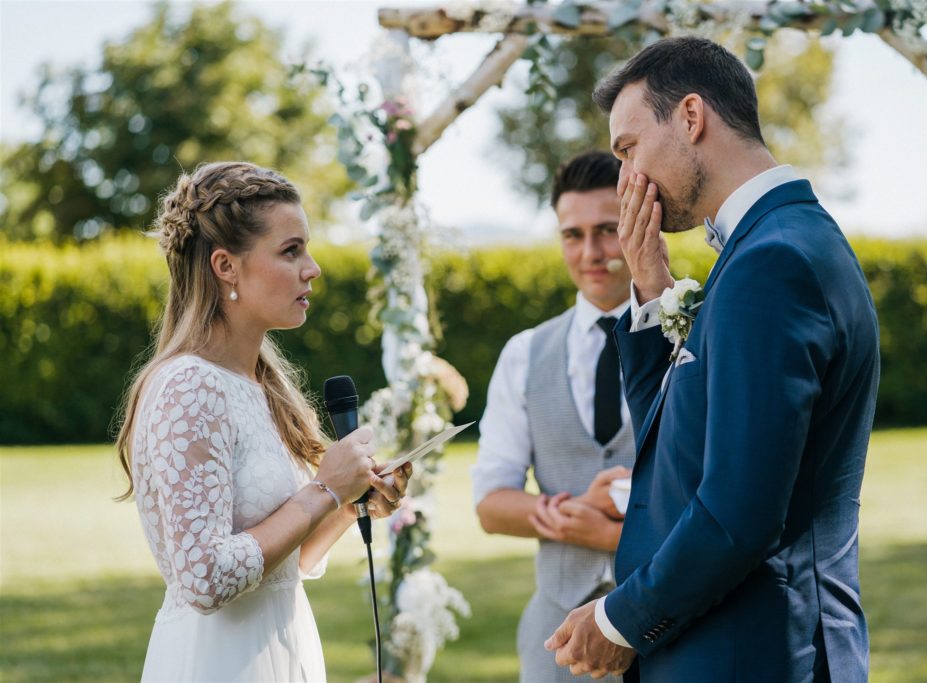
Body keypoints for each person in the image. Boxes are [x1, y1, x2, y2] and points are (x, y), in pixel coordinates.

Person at [545, 38, 880, 683]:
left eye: (628, 148)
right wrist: (650, 293)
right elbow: (681, 451)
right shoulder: (768, 248)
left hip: (753, 653)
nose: (626, 183)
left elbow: (739, 512)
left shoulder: (771, 263)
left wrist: (620, 621)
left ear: (691, 117)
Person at [114, 161, 411, 682]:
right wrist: (324, 490)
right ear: (226, 266)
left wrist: (348, 502)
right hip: (219, 662)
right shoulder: (188, 386)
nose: (312, 268)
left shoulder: (261, 384)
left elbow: (279, 567)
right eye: (291, 250)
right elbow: (204, 578)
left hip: (284, 647)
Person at [472, 150, 637, 683]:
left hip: (675, 627)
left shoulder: (695, 338)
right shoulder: (524, 353)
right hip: (558, 644)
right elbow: (492, 504)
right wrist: (573, 515)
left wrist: (609, 532)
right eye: (573, 234)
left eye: (607, 229)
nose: (591, 252)